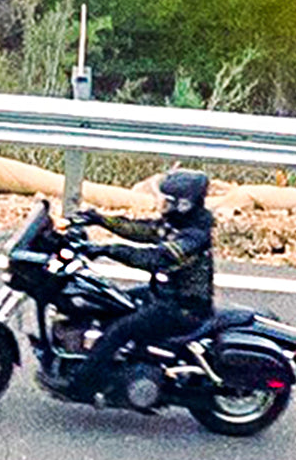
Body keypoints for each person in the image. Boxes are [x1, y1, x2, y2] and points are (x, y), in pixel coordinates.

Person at [63, 169, 215, 404]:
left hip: (184, 309)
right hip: (165, 296)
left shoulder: (193, 237)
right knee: (111, 303)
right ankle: (119, 367)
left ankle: (82, 386)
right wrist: (100, 219)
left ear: (185, 204)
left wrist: (107, 250)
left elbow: (154, 258)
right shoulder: (177, 225)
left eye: (169, 201)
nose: (164, 205)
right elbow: (142, 230)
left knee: (119, 330)